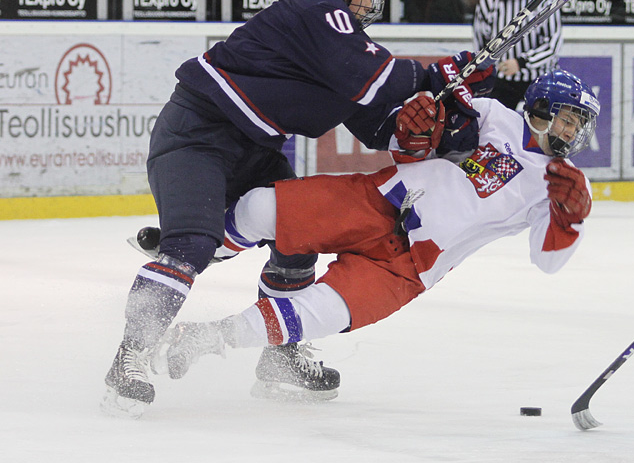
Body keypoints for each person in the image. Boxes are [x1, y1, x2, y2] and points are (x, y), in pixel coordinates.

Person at [102, 0, 480, 418]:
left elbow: (383, 128)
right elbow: (377, 76)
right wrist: (439, 71)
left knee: (298, 236)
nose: (368, 2)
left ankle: (278, 358)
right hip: (198, 134)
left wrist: (440, 119)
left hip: (256, 150)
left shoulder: (343, 44)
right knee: (191, 245)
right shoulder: (313, 7)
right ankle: (129, 356)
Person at [144, 70, 599, 402]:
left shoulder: (566, 183)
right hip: (379, 200)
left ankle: (206, 338)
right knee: (266, 207)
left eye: (579, 125)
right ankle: (198, 243)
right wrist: (424, 121)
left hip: (408, 267)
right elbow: (412, 145)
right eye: (568, 118)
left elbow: (548, 260)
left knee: (318, 312)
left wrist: (570, 216)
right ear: (540, 107)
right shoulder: (492, 115)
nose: (573, 131)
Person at [473, 0, 563, 111]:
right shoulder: (488, 2)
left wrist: (521, 62)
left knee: (542, 130)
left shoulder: (542, 0)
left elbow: (552, 45)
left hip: (539, 80)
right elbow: (481, 44)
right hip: (501, 83)